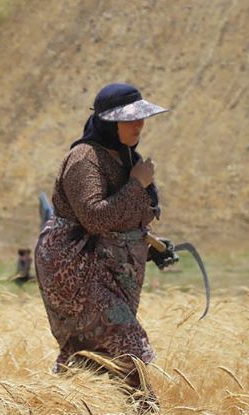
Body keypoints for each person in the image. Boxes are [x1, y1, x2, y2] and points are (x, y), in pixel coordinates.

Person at [34, 83, 172, 412]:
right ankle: (146, 408)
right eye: (129, 120)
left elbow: (128, 217)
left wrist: (151, 245)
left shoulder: (127, 158)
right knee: (123, 338)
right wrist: (137, 183)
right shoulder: (84, 159)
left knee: (91, 355)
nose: (138, 126)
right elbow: (95, 218)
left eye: (141, 119)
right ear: (108, 123)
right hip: (74, 269)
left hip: (107, 268)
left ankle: (54, 406)